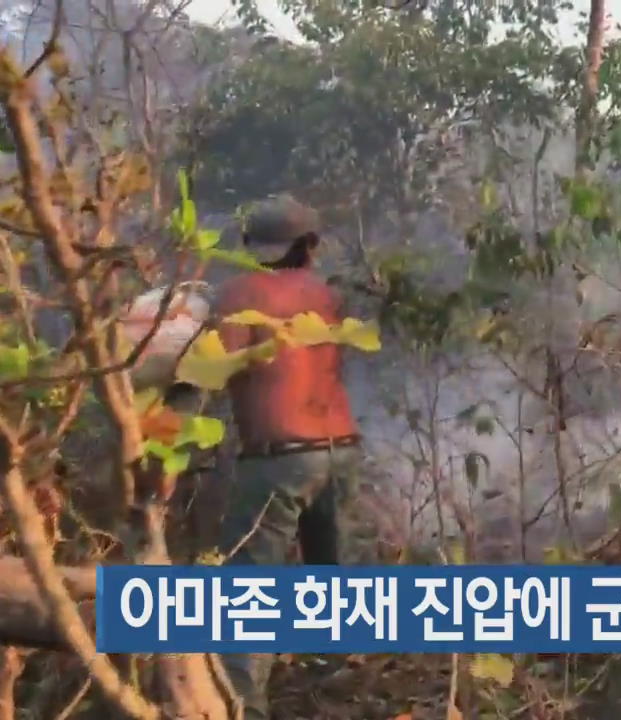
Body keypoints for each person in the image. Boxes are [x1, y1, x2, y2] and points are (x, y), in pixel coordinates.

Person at [213, 195, 367, 719]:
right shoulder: (326, 295)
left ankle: (242, 707)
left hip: (279, 460)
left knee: (249, 588)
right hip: (340, 452)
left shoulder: (239, 293)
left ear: (250, 248)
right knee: (331, 575)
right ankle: (334, 686)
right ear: (311, 247)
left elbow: (215, 369)